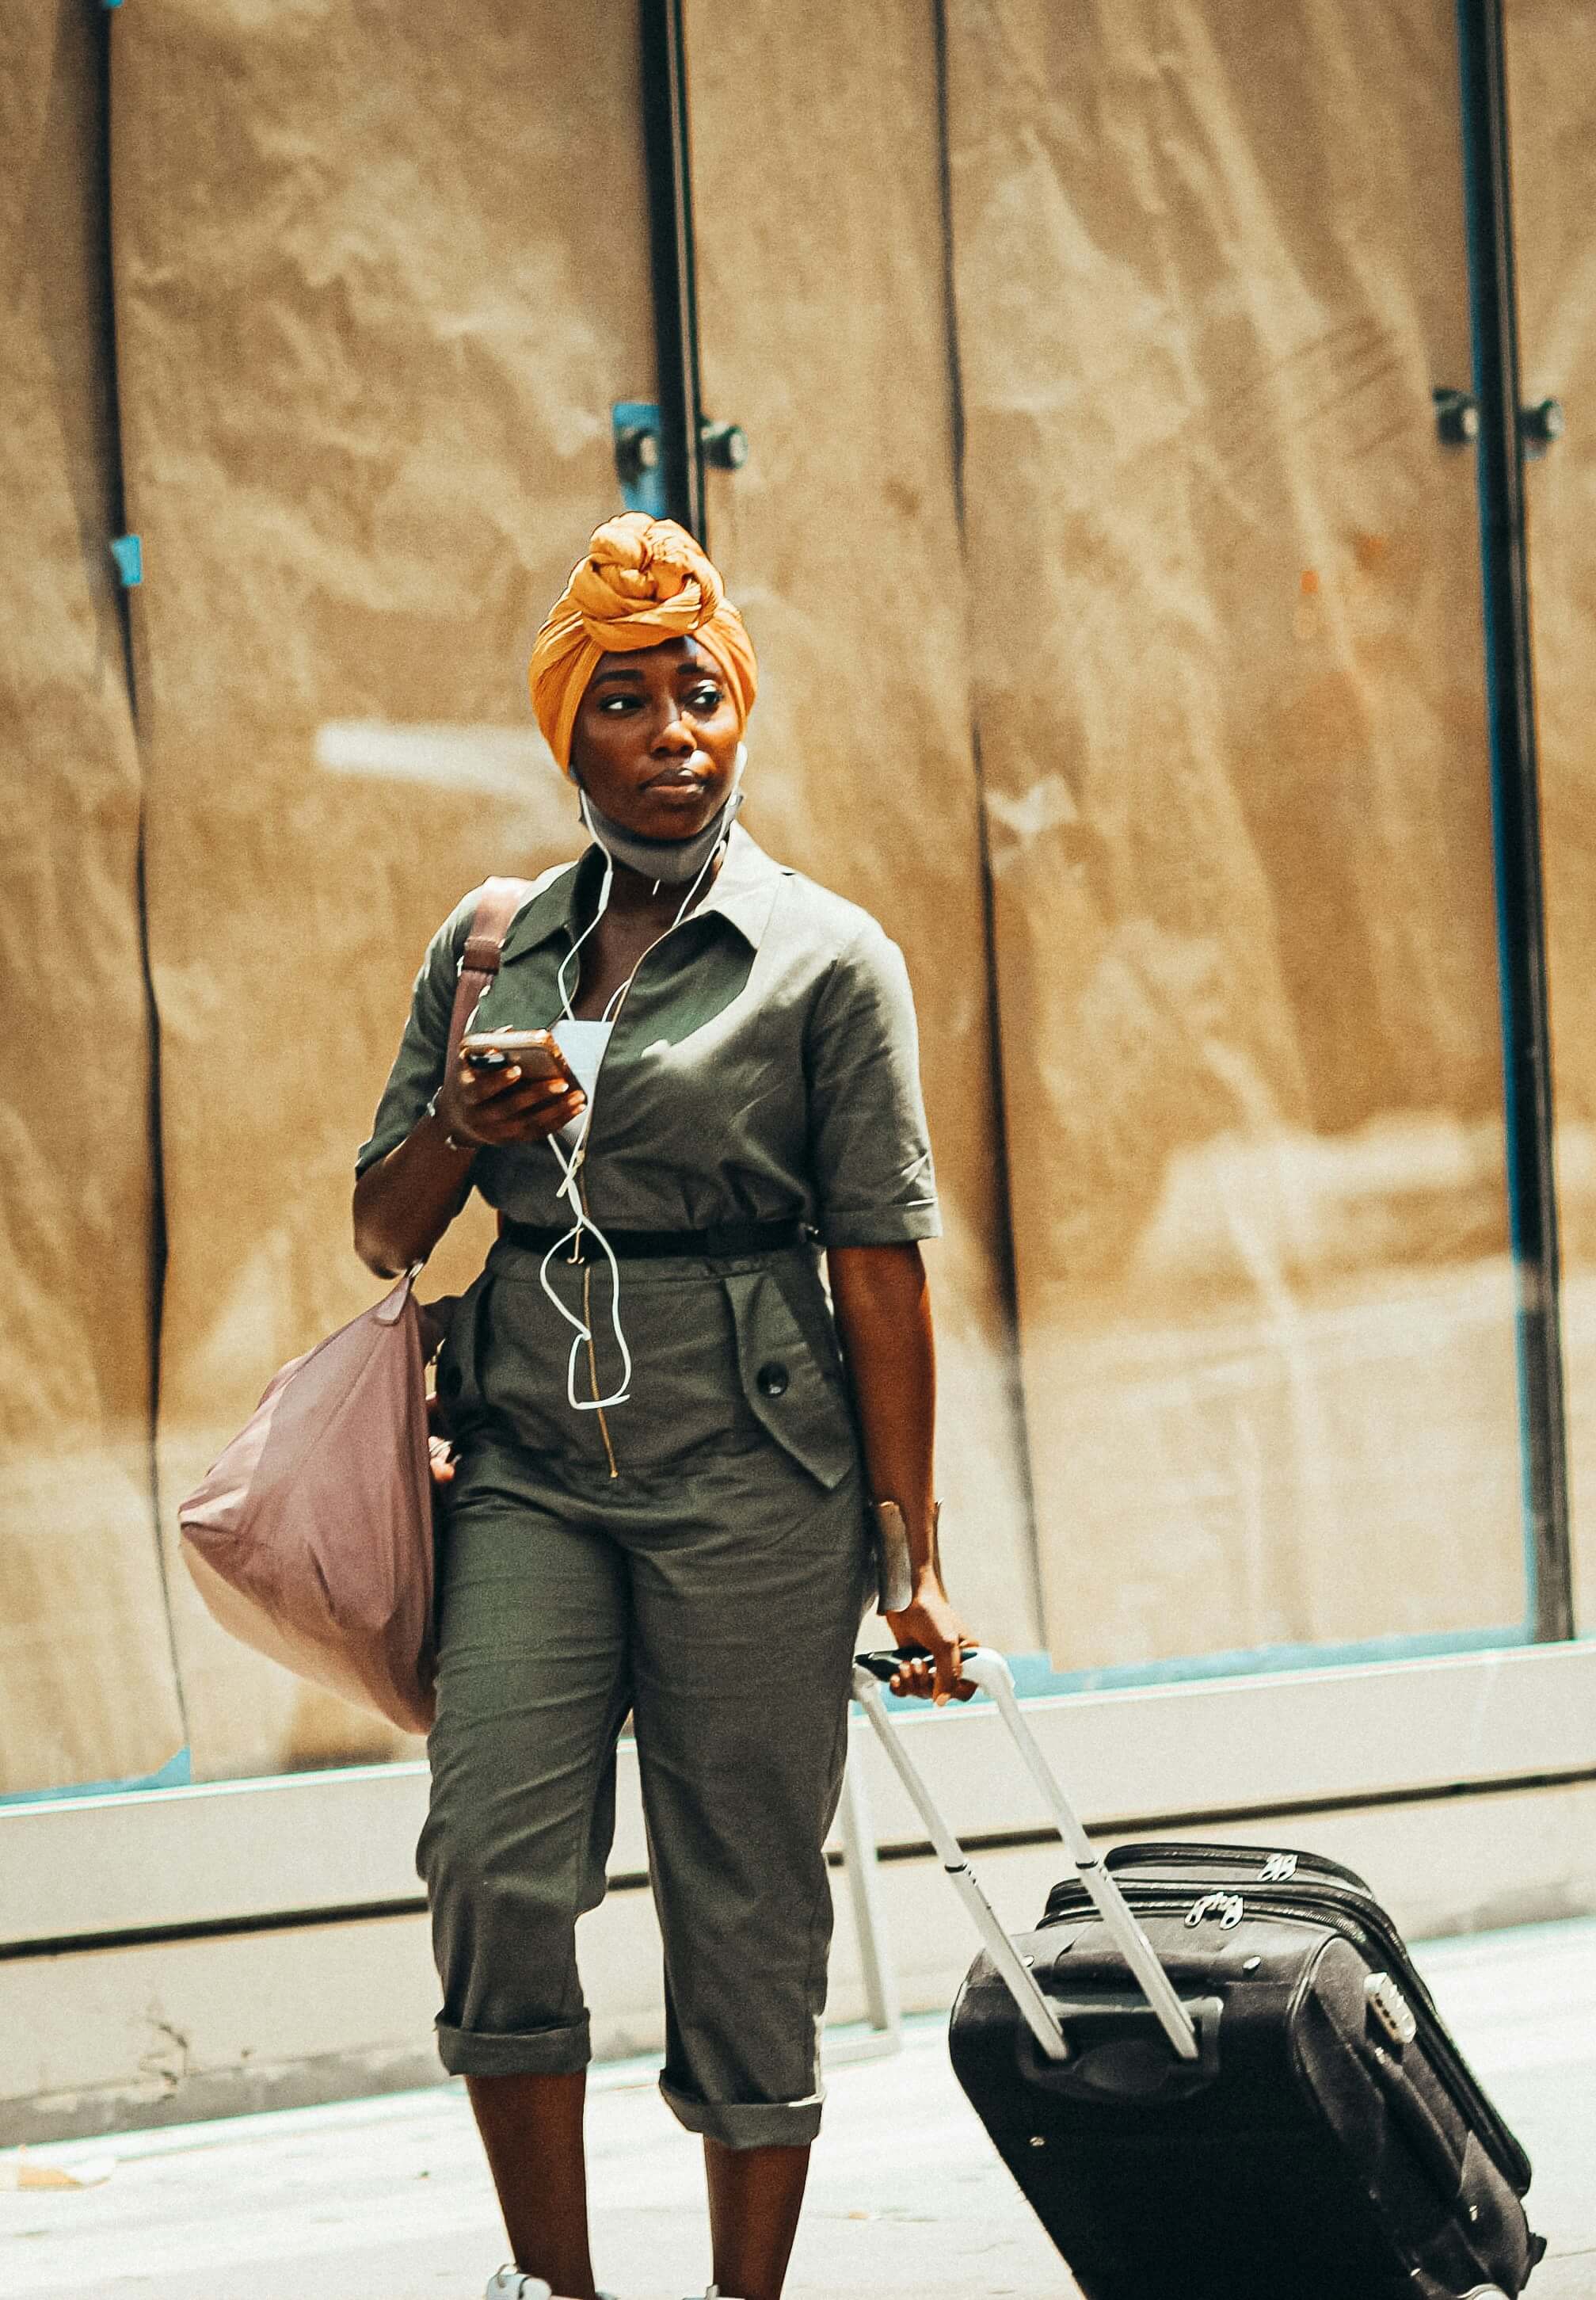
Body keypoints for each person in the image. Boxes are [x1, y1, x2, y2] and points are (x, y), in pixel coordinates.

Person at [352, 514, 971, 2300]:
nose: (675, 729)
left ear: (740, 714)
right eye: (627, 701)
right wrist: (469, 1125)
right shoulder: (493, 950)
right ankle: (554, 2289)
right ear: (573, 739)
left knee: (748, 1900)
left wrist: (908, 1562)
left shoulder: (826, 960)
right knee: (493, 1858)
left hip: (759, 1479)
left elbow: (884, 1267)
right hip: (535, 1469)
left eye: (702, 692)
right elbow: (380, 1233)